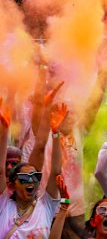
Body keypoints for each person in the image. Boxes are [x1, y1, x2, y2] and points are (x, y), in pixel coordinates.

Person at [0, 97, 63, 238]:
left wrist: (56, 133)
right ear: (12, 183)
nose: (30, 181)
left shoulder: (46, 205)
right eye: (23, 178)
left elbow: (56, 172)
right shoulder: (4, 204)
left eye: (35, 177)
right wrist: (4, 131)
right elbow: (0, 172)